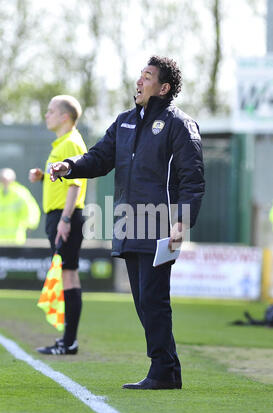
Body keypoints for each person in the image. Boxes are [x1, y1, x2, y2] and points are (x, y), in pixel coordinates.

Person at [50, 56, 205, 389]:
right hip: (128, 222)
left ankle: (163, 370)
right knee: (143, 302)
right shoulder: (124, 122)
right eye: (140, 74)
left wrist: (182, 220)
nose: (139, 81)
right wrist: (70, 166)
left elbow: (192, 179)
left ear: (163, 88)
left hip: (159, 224)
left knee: (153, 300)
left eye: (147, 76)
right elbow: (99, 157)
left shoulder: (180, 124)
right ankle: (168, 369)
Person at [29, 95, 87, 355]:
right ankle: (67, 340)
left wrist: (65, 219)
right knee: (67, 274)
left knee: (68, 274)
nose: (46, 115)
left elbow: (76, 184)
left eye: (50, 111)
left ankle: (69, 341)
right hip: (60, 216)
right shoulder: (63, 142)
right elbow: (63, 181)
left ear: (65, 116)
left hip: (66, 217)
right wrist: (43, 178)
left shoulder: (72, 142)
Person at [0, 168, 40, 245]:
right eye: (2, 179)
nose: (4, 182)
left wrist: (29, 225)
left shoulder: (21, 193)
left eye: (6, 179)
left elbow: (32, 210)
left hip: (15, 239)